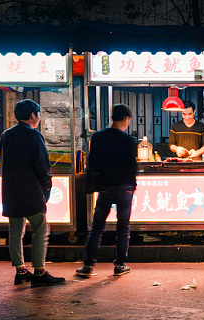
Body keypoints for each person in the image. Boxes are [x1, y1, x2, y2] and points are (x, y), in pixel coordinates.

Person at [0, 99, 65, 287]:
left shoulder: (6, 135)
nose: (39, 118)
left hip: (10, 192)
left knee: (15, 231)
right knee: (41, 229)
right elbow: (42, 166)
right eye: (39, 114)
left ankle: (20, 271)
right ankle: (39, 272)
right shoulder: (34, 136)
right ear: (32, 115)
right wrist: (47, 188)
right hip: (30, 191)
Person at [76, 104, 137, 277]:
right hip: (124, 188)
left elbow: (92, 162)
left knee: (97, 226)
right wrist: (132, 186)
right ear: (126, 119)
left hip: (105, 187)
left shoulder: (98, 138)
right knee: (123, 226)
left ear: (112, 117)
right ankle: (120, 265)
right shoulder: (128, 141)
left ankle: (88, 265)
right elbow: (132, 166)